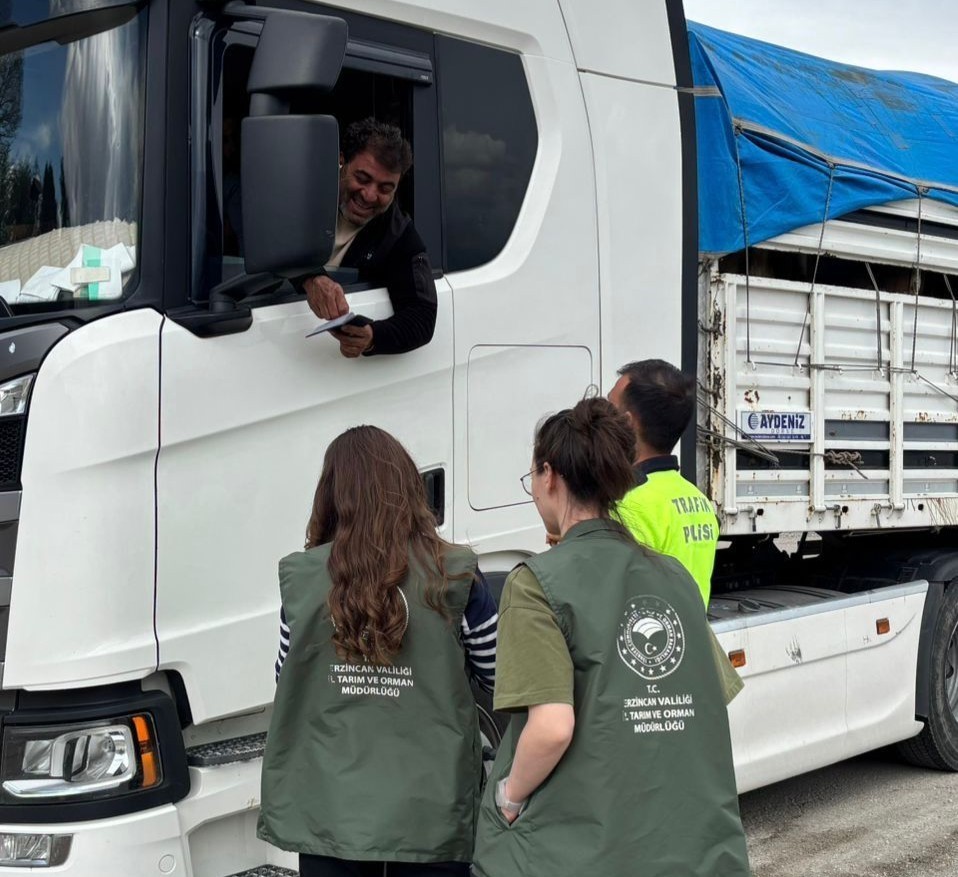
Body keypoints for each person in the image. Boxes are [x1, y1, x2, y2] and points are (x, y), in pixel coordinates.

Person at [471, 398, 750, 877]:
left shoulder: (535, 582)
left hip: (581, 851)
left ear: (550, 475)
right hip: (688, 844)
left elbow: (552, 727)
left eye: (532, 478)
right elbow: (708, 695)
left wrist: (508, 797)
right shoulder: (674, 576)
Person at [258, 425, 498, 877]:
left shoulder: (301, 579)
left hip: (331, 807)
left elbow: (285, 678)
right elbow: (499, 674)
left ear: (329, 495)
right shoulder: (457, 573)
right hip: (432, 805)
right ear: (409, 488)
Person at [304, 118, 437, 358]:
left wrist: (374, 337)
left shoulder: (397, 232)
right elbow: (269, 250)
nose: (369, 195)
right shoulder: (301, 195)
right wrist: (310, 278)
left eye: (385, 189)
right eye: (363, 179)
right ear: (342, 161)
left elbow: (422, 316)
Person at [609, 358, 719, 606]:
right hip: (690, 639)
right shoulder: (698, 500)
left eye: (609, 408)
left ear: (627, 423)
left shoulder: (627, 505)